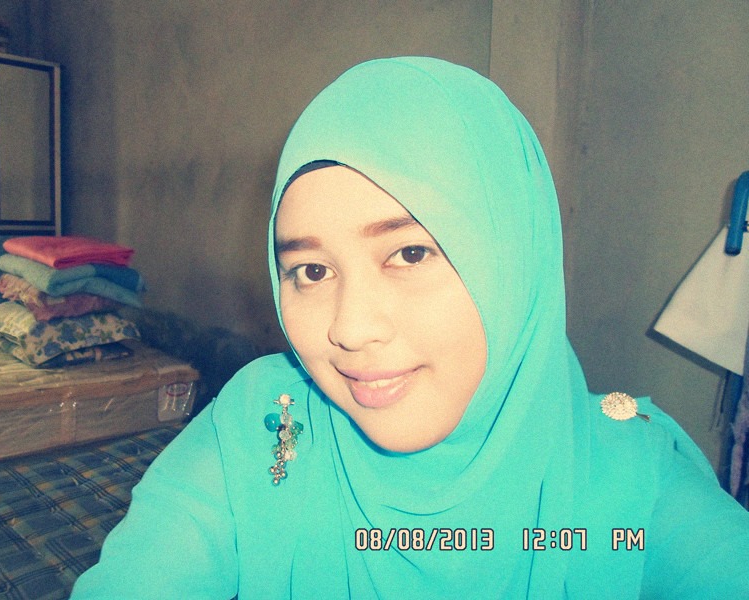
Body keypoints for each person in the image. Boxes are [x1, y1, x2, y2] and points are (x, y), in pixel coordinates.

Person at [71, 57, 749, 599]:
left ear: (514, 259)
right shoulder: (260, 429)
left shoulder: (634, 480)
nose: (350, 329)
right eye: (311, 270)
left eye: (411, 253)